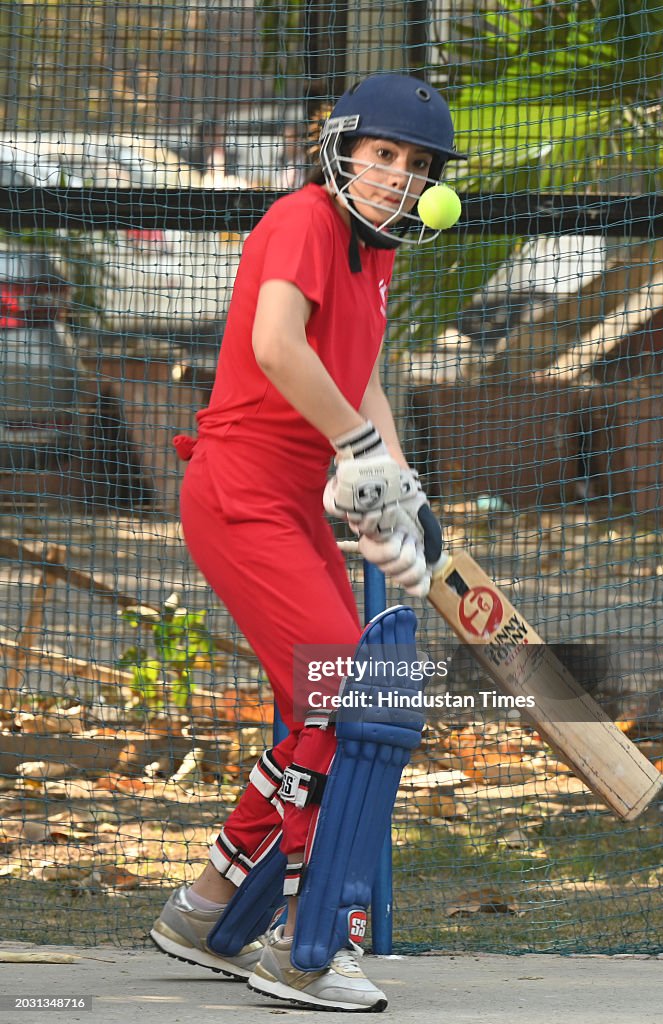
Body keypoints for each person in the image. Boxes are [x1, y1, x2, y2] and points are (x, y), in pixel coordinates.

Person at [151, 72, 460, 1012]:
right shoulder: (302, 219)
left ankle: (204, 910)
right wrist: (356, 452)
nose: (398, 178)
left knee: (347, 701)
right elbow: (280, 345)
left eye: (416, 165)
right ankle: (307, 946)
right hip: (241, 489)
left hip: (293, 498)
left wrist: (397, 490)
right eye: (383, 156)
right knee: (353, 698)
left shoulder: (375, 258)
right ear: (341, 153)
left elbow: (356, 378)